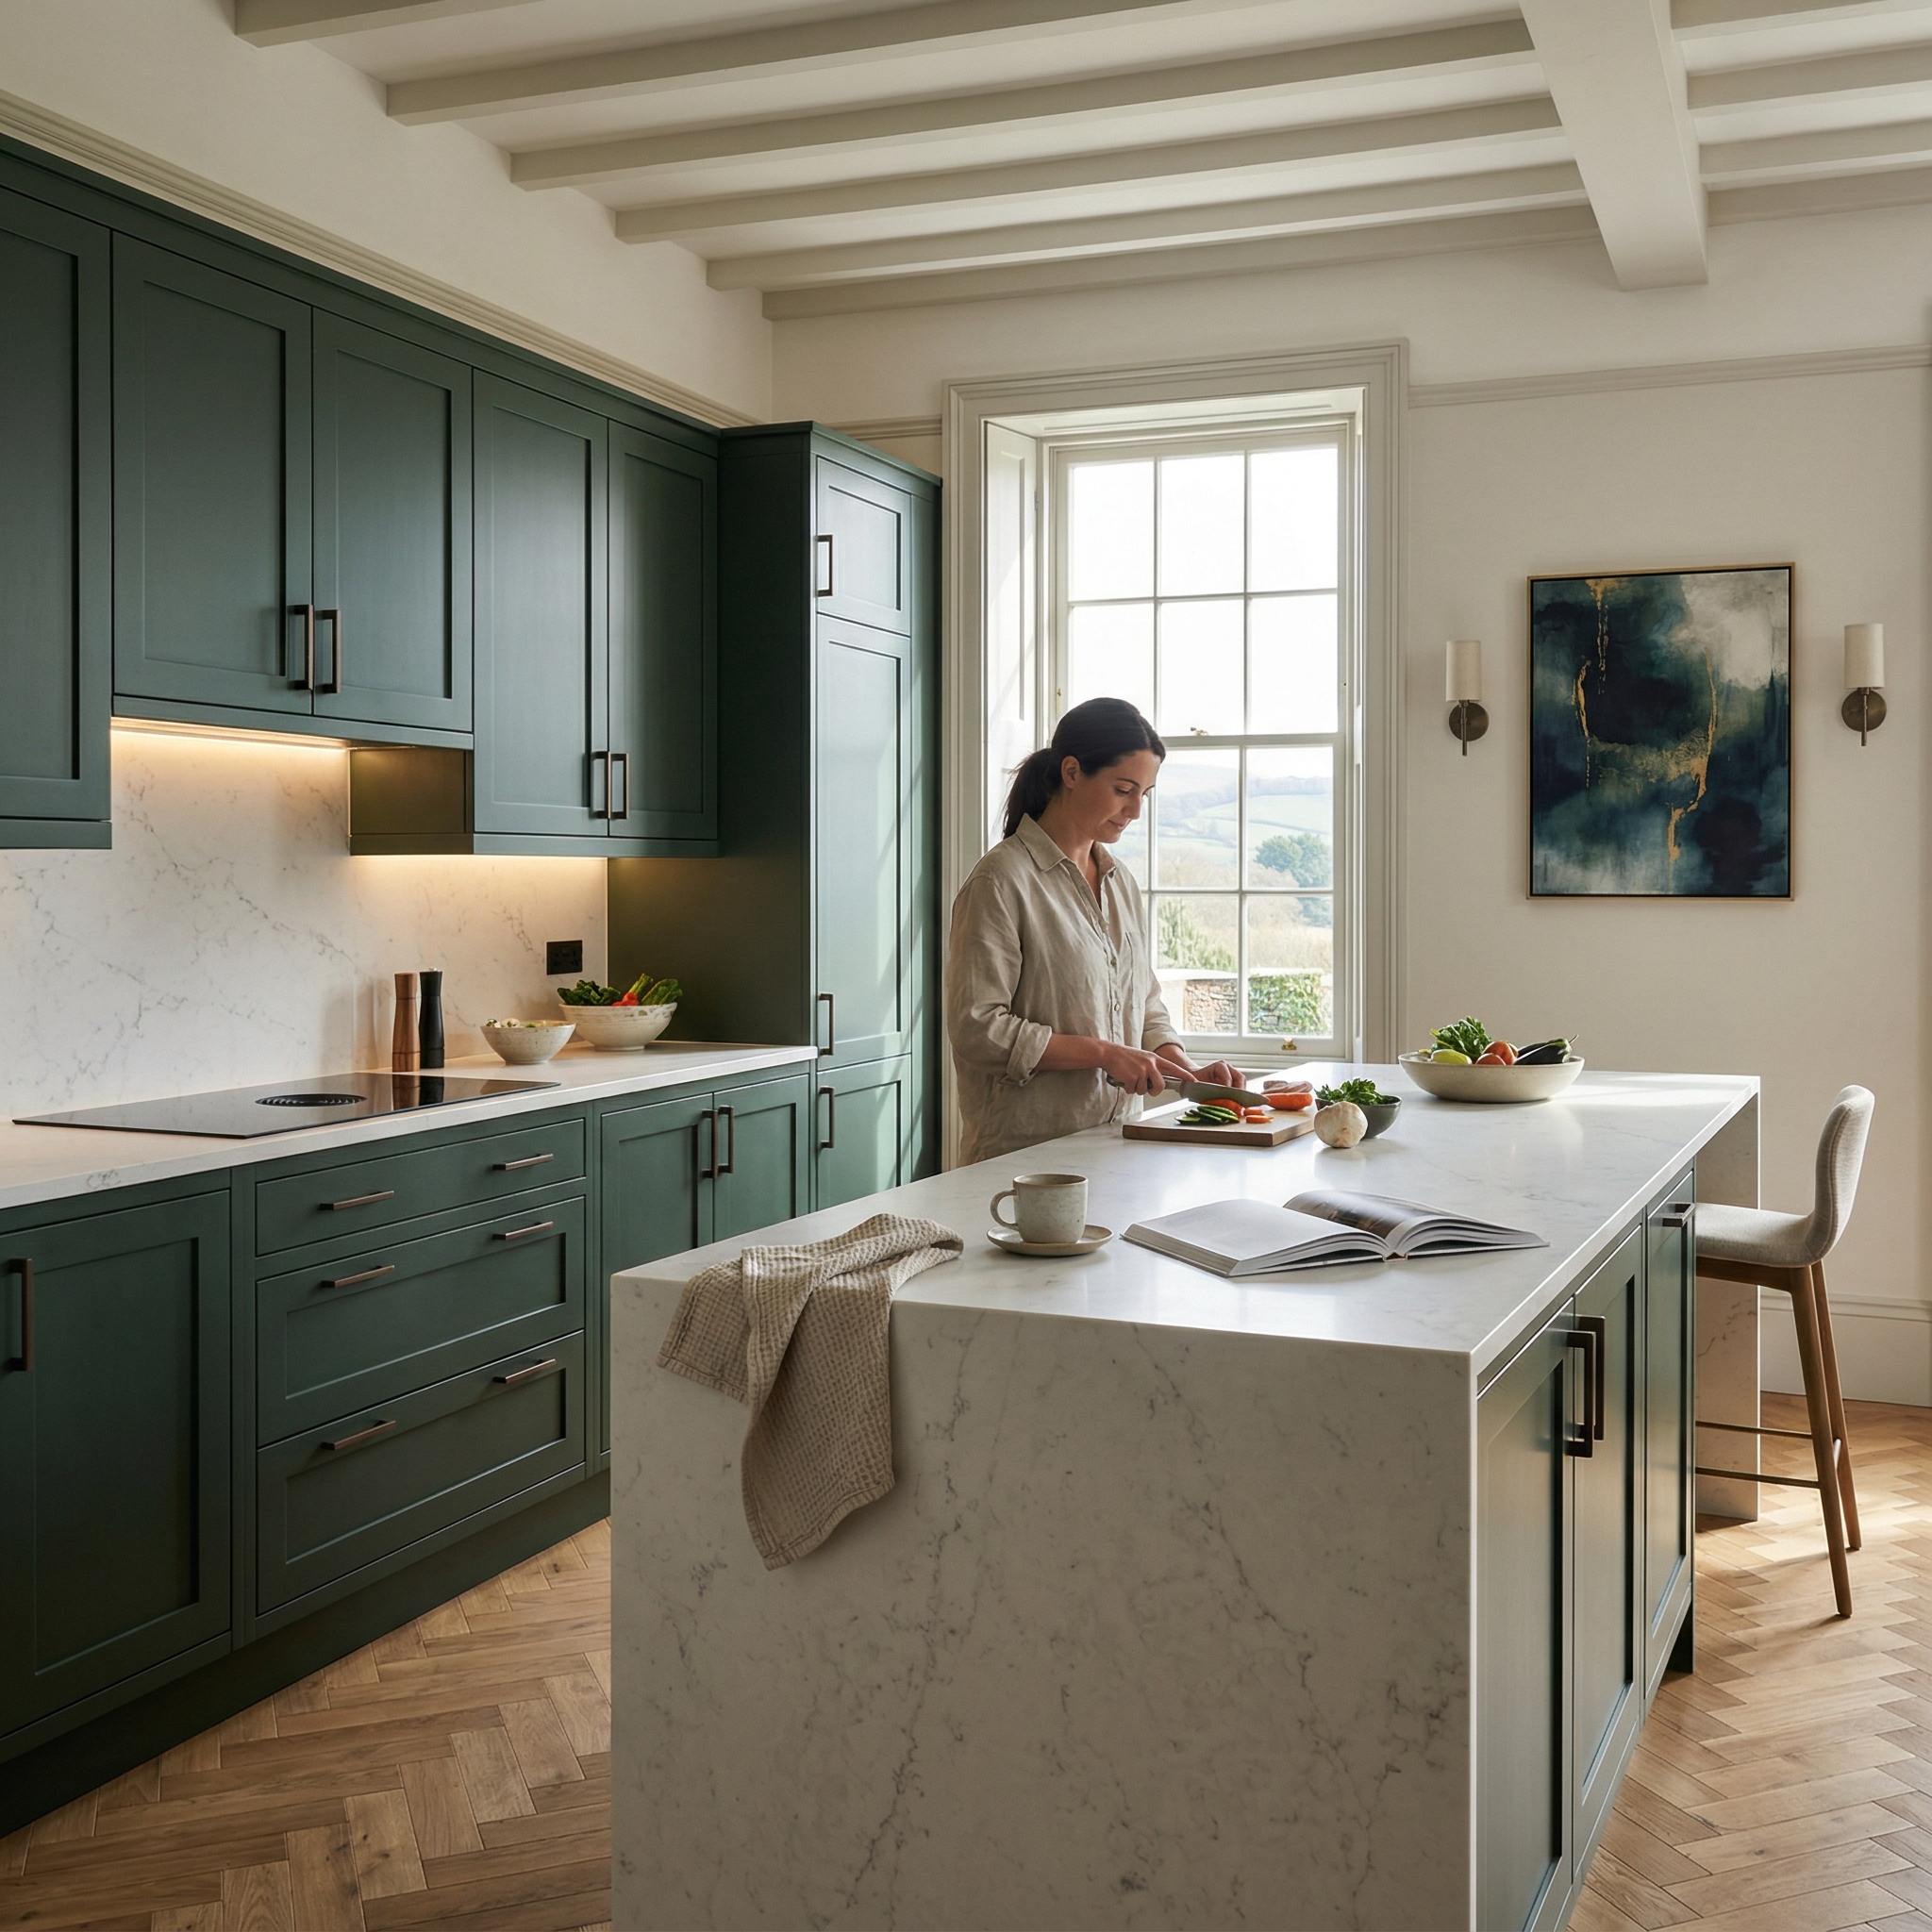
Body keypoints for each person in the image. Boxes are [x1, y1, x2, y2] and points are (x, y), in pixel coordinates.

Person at [946, 696, 1247, 1166]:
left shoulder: (1120, 881)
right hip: (1025, 1161)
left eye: (1144, 794)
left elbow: (1144, 1005)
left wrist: (1187, 1073)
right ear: (1071, 772)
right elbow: (978, 1029)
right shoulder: (1000, 881)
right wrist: (1103, 1054)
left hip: (1120, 1147)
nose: (1135, 811)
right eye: (1123, 789)